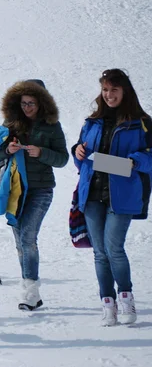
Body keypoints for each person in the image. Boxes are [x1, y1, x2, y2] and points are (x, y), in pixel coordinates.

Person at [73, 69, 152, 326]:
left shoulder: (142, 122)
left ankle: (126, 297)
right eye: (105, 90)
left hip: (123, 194)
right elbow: (79, 157)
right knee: (100, 252)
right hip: (92, 193)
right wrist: (78, 151)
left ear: (124, 91)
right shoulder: (92, 121)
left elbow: (149, 158)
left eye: (114, 90)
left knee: (114, 248)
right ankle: (107, 303)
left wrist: (132, 161)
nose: (108, 95)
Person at [0, 78, 68, 311]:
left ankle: (30, 292)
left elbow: (63, 159)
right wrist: (6, 150)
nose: (27, 108)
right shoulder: (11, 123)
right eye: (23, 103)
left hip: (41, 190)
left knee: (27, 238)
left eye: (31, 103)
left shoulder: (52, 126)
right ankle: (31, 290)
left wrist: (41, 152)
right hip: (15, 190)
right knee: (20, 242)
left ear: (42, 103)